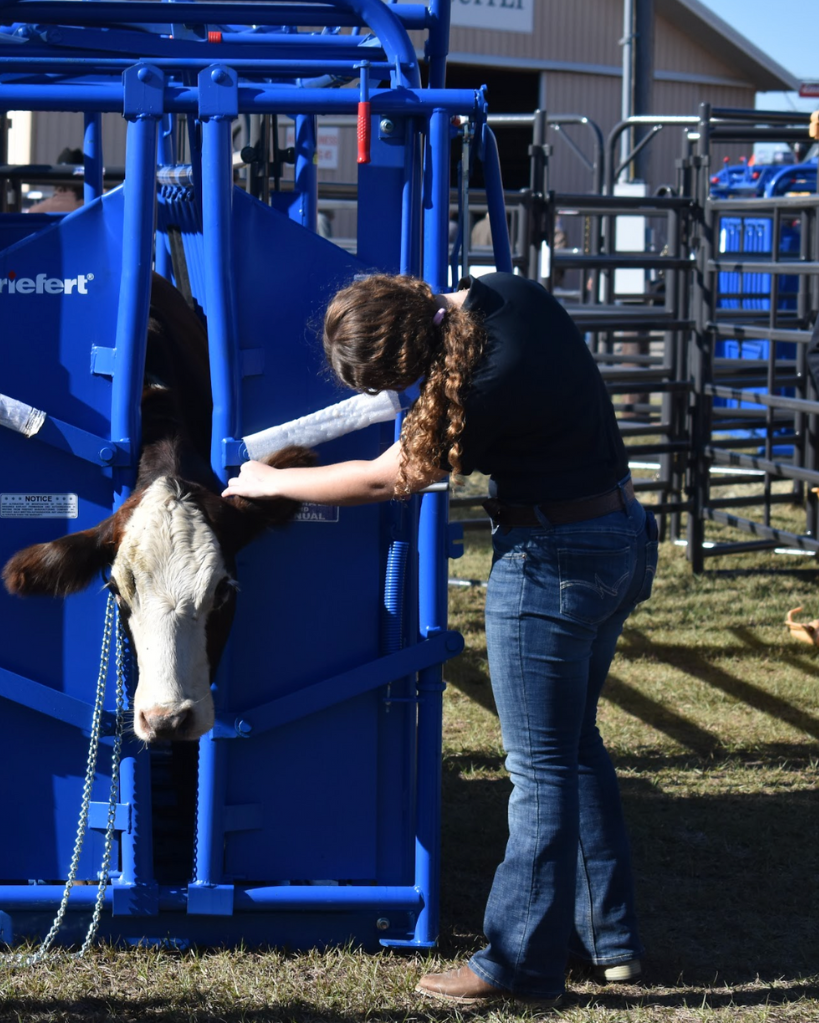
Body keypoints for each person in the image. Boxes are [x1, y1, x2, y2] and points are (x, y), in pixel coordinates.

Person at [223, 270, 657, 1009]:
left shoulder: (481, 383)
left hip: (552, 561)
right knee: (574, 749)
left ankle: (517, 965)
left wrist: (269, 483)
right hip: (621, 535)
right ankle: (609, 940)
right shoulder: (509, 294)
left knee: (540, 771)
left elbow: (384, 479)